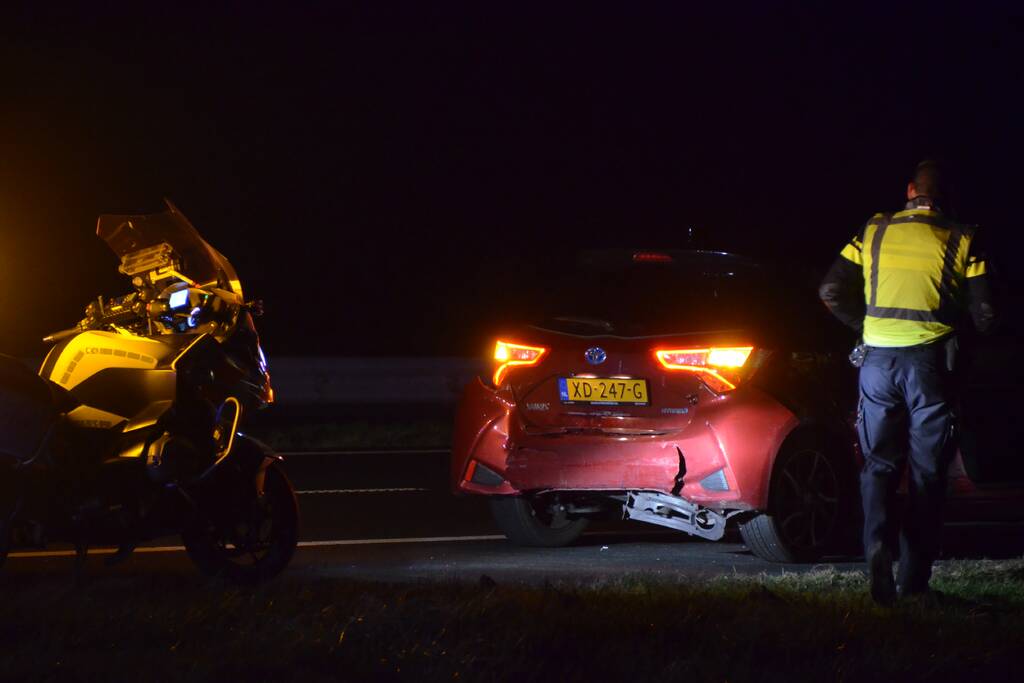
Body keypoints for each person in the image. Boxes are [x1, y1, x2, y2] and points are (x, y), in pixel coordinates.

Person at [818, 160, 996, 605]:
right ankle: (913, 579)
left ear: (910, 190)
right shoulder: (962, 238)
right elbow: (986, 312)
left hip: (877, 363)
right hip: (930, 366)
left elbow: (829, 291)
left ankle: (876, 546)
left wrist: (865, 328)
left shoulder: (873, 230)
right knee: (927, 472)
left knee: (879, 464)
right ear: (945, 196)